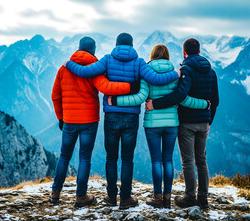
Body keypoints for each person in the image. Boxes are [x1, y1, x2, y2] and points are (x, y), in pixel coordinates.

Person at [64, 33, 180, 209]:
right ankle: (125, 198)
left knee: (111, 158)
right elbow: (156, 79)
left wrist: (68, 64)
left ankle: (111, 197)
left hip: (111, 116)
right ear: (132, 45)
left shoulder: (108, 60)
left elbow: (86, 72)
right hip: (131, 117)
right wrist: (176, 73)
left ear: (116, 44)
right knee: (127, 159)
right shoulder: (139, 62)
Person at [107, 44, 210, 208]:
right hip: (172, 123)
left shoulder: (147, 72)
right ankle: (167, 198)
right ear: (168, 56)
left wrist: (116, 101)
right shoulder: (176, 73)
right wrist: (204, 104)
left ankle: (157, 197)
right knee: (168, 160)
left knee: (156, 160)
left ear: (152, 55)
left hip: (152, 124)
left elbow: (140, 97)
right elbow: (182, 98)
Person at [50, 36, 140, 208]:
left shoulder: (63, 69)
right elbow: (107, 87)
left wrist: (60, 117)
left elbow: (55, 96)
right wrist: (130, 87)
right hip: (89, 120)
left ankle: (55, 193)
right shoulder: (94, 68)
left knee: (64, 156)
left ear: (79, 48)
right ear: (93, 50)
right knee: (84, 157)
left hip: (69, 119)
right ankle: (81, 196)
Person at [146, 38, 219, 209]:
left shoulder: (186, 70)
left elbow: (180, 96)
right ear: (200, 52)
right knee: (202, 160)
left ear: (184, 52)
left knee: (188, 161)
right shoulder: (212, 72)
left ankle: (190, 198)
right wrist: (209, 120)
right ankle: (203, 198)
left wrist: (155, 104)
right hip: (204, 122)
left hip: (186, 122)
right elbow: (215, 100)